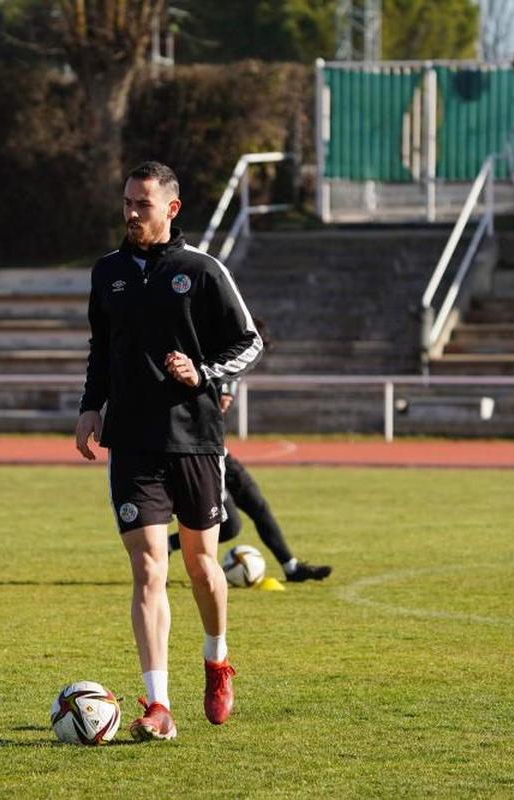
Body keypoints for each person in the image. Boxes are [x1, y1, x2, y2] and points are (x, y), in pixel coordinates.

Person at [75, 161, 263, 742]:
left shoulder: (201, 271)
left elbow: (250, 342)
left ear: (171, 209)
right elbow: (100, 348)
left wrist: (201, 371)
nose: (132, 213)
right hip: (131, 442)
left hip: (195, 441)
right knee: (149, 568)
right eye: (127, 202)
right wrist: (90, 405)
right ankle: (158, 704)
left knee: (202, 567)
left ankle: (216, 661)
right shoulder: (107, 273)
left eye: (143, 205)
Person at [168, 380, 332, 583]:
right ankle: (167, 545)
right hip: (202, 458)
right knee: (229, 526)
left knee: (259, 506)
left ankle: (291, 568)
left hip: (222, 455)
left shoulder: (239, 361)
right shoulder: (210, 357)